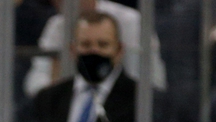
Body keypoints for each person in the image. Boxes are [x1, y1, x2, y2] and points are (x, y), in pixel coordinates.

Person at [23, 0, 165, 99]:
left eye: (103, 44)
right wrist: (58, 94)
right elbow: (35, 83)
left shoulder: (131, 22)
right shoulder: (56, 27)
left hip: (124, 110)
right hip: (71, 106)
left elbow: (151, 83)